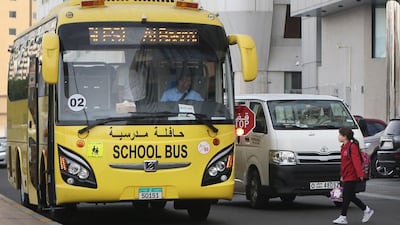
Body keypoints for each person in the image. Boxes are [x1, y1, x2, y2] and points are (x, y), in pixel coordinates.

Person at [332, 127, 374, 224]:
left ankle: (343, 216)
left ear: (345, 136)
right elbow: (344, 164)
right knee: (350, 196)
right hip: (347, 176)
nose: (338, 137)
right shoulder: (344, 147)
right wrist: (342, 175)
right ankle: (366, 210)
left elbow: (356, 162)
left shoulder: (352, 147)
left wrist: (360, 175)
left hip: (352, 176)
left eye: (340, 135)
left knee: (347, 196)